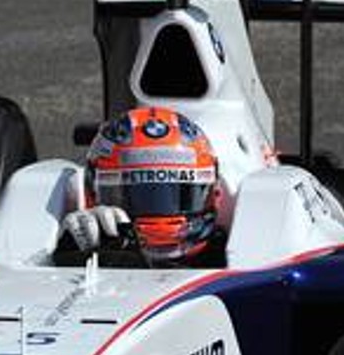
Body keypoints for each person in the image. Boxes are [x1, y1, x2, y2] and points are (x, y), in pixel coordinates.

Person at [60, 105, 226, 266]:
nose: (158, 217)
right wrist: (69, 258)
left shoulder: (233, 249)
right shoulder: (87, 243)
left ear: (216, 192)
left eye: (179, 194)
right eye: (138, 196)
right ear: (91, 191)